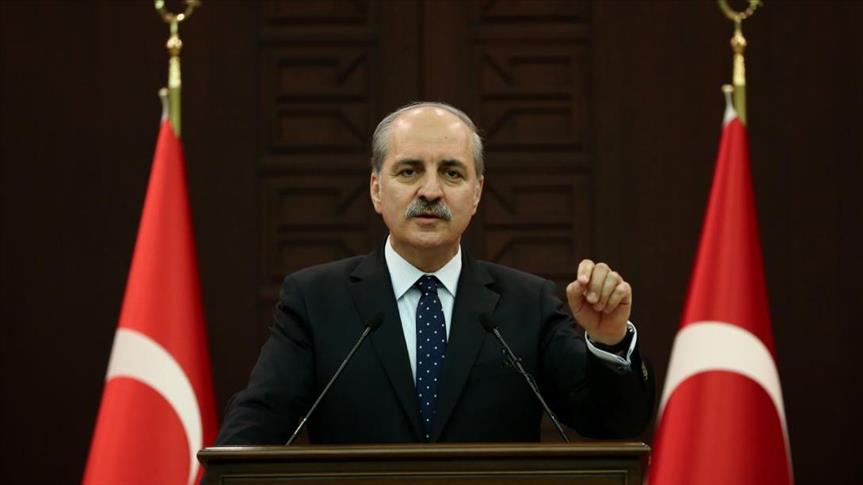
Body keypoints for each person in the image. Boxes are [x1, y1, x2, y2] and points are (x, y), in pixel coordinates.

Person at [215, 102, 654, 445]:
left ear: (477, 193)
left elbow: (613, 424)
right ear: (376, 189)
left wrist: (609, 340)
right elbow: (255, 426)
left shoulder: (528, 304)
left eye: (451, 172)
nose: (430, 190)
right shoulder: (315, 300)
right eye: (409, 171)